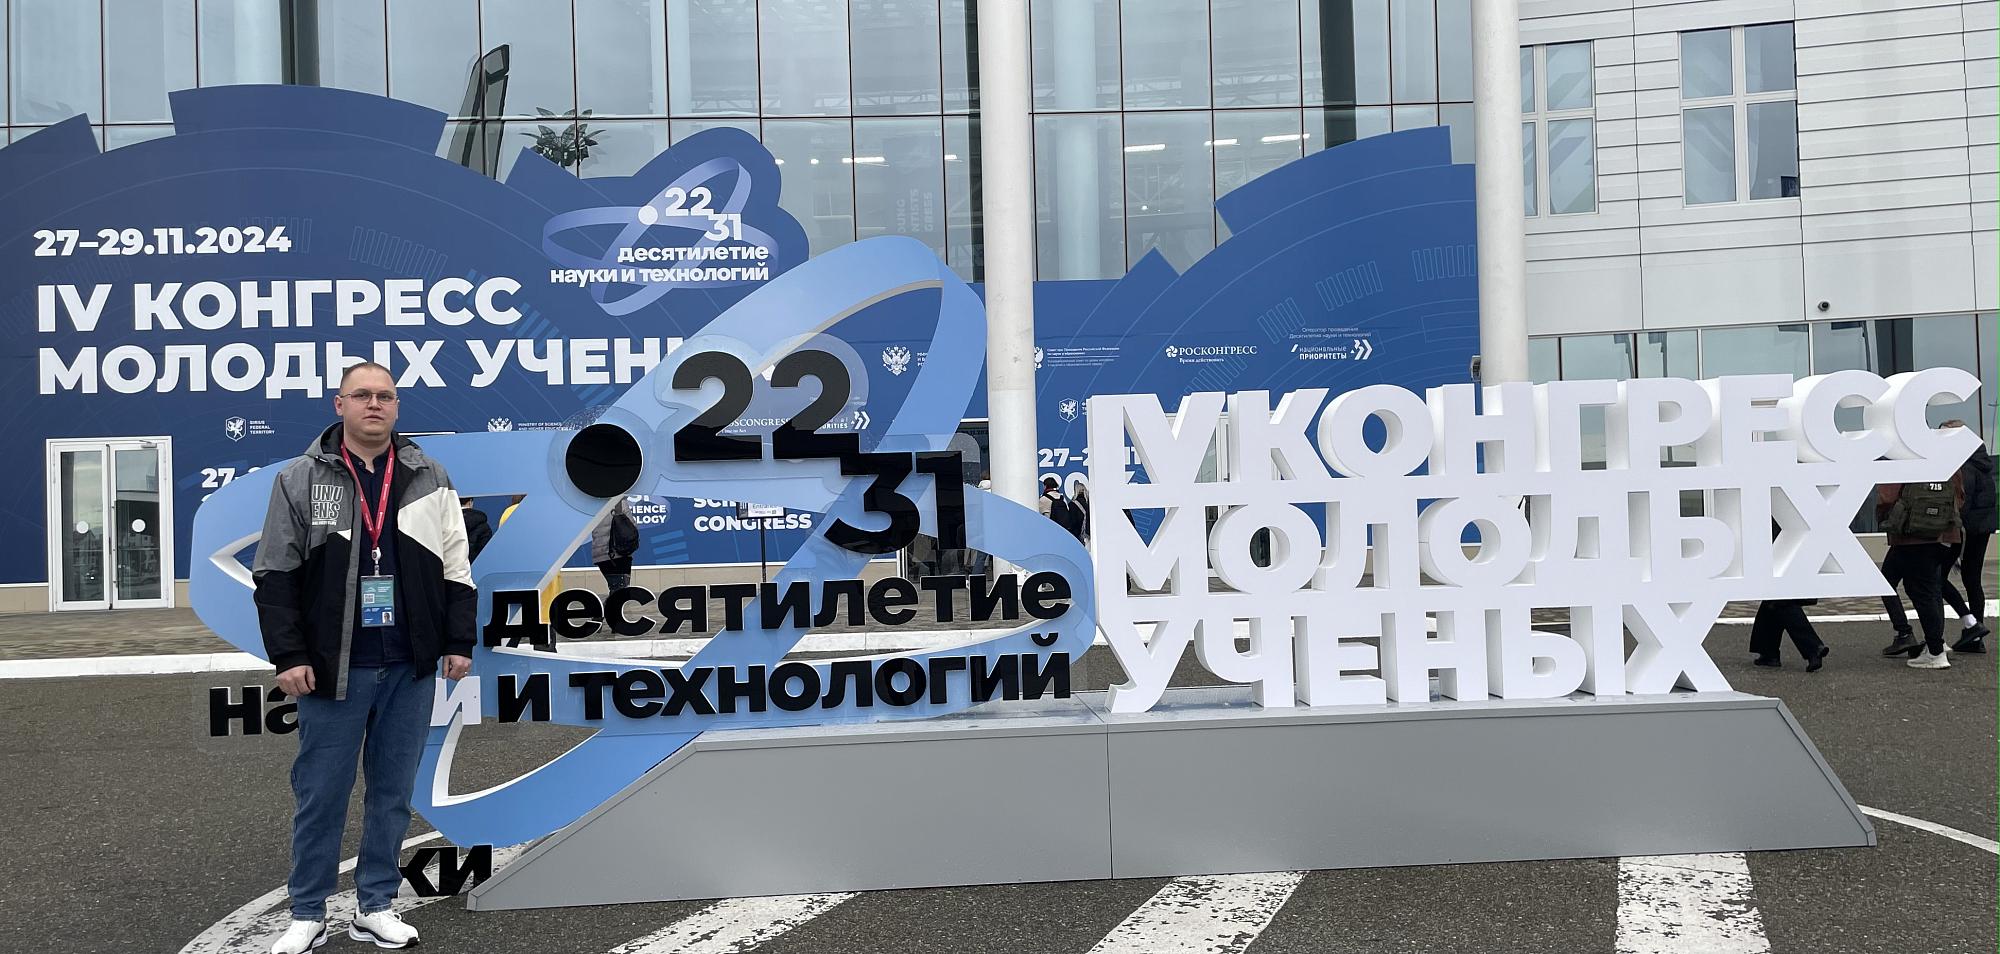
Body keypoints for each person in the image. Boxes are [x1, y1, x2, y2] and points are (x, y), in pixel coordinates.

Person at [253, 362, 476, 953]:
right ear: (340, 404)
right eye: (362, 395)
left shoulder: (430, 475)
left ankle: (375, 905)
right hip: (334, 666)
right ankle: (307, 911)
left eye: (385, 396)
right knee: (321, 793)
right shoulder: (301, 478)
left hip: (409, 663)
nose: (374, 404)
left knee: (392, 794)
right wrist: (289, 653)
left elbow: (456, 565)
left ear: (396, 407)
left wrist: (458, 641)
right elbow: (274, 573)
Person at [1876, 460, 1965, 670]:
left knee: (1920, 592)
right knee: (1930, 589)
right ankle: (1935, 644)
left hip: (1912, 537)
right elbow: (1959, 496)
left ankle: (1934, 651)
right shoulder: (1947, 460)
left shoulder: (1904, 460)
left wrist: (1887, 518)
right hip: (1944, 536)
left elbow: (1887, 498)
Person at [1949, 421, 1995, 652]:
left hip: (1967, 530)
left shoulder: (1965, 465)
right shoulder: (1981, 461)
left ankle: (1973, 627)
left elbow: (1962, 503)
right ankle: (1976, 636)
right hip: (1983, 528)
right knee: (1973, 580)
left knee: (1938, 578)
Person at [591, 497, 641, 593]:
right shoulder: (619, 502)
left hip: (600, 554)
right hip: (620, 551)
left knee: (615, 589)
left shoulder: (591, 503)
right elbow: (631, 527)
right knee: (621, 591)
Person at [461, 496, 493, 563]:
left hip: (451, 567)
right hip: (476, 566)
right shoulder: (484, 526)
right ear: (470, 502)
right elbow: (486, 552)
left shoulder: (447, 522)